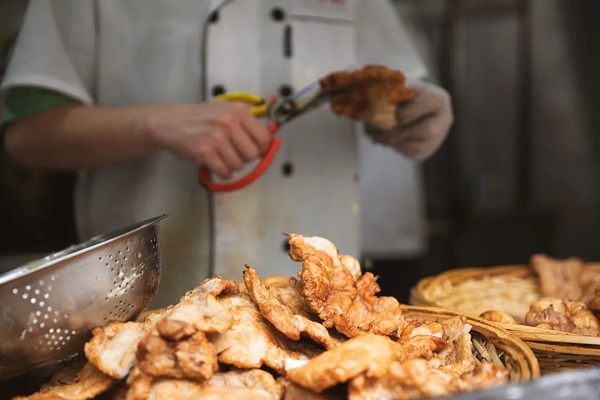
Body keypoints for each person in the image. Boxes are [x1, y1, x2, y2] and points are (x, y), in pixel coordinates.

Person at [0, 0, 453, 308]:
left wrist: (416, 116)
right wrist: (155, 124)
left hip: (325, 303)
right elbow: (27, 136)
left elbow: (389, 91)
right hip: (148, 308)